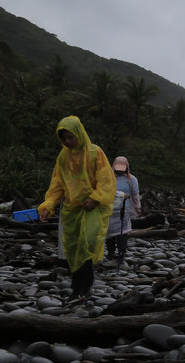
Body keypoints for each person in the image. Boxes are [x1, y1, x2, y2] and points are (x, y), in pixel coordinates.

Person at [37, 116, 116, 302]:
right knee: (73, 251)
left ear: (79, 134)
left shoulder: (95, 152)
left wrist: (95, 198)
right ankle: (77, 289)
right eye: (63, 138)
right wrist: (48, 205)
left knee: (87, 244)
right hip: (72, 210)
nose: (67, 141)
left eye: (70, 137)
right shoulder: (63, 157)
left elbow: (106, 180)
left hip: (92, 209)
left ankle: (85, 287)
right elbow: (58, 185)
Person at [105, 155, 140, 267]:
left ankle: (121, 254)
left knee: (123, 233)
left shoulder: (132, 180)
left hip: (125, 209)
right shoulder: (107, 178)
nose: (120, 171)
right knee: (109, 232)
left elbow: (135, 194)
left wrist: (137, 207)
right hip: (109, 209)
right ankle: (111, 253)